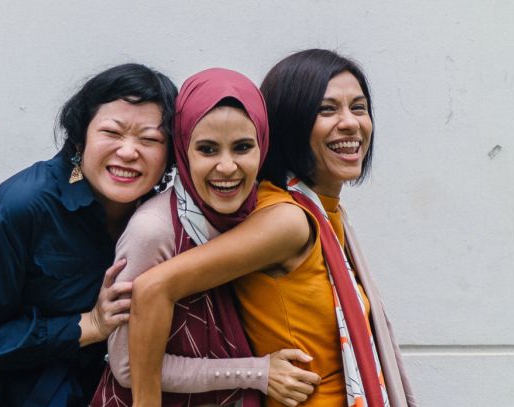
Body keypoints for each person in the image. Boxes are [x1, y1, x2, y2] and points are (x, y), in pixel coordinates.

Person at [127, 50, 417, 407]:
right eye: (327, 110)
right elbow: (153, 289)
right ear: (290, 123)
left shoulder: (324, 211)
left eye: (358, 107)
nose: (350, 123)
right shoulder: (288, 220)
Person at [0, 63, 178, 406]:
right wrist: (88, 325)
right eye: (112, 132)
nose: (129, 151)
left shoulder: (159, 214)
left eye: (149, 139)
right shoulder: (20, 208)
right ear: (80, 136)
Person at [93, 68, 321, 407]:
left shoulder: (263, 214)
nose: (227, 167)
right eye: (208, 149)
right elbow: (128, 367)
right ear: (184, 150)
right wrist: (257, 373)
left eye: (243, 147)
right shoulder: (154, 230)